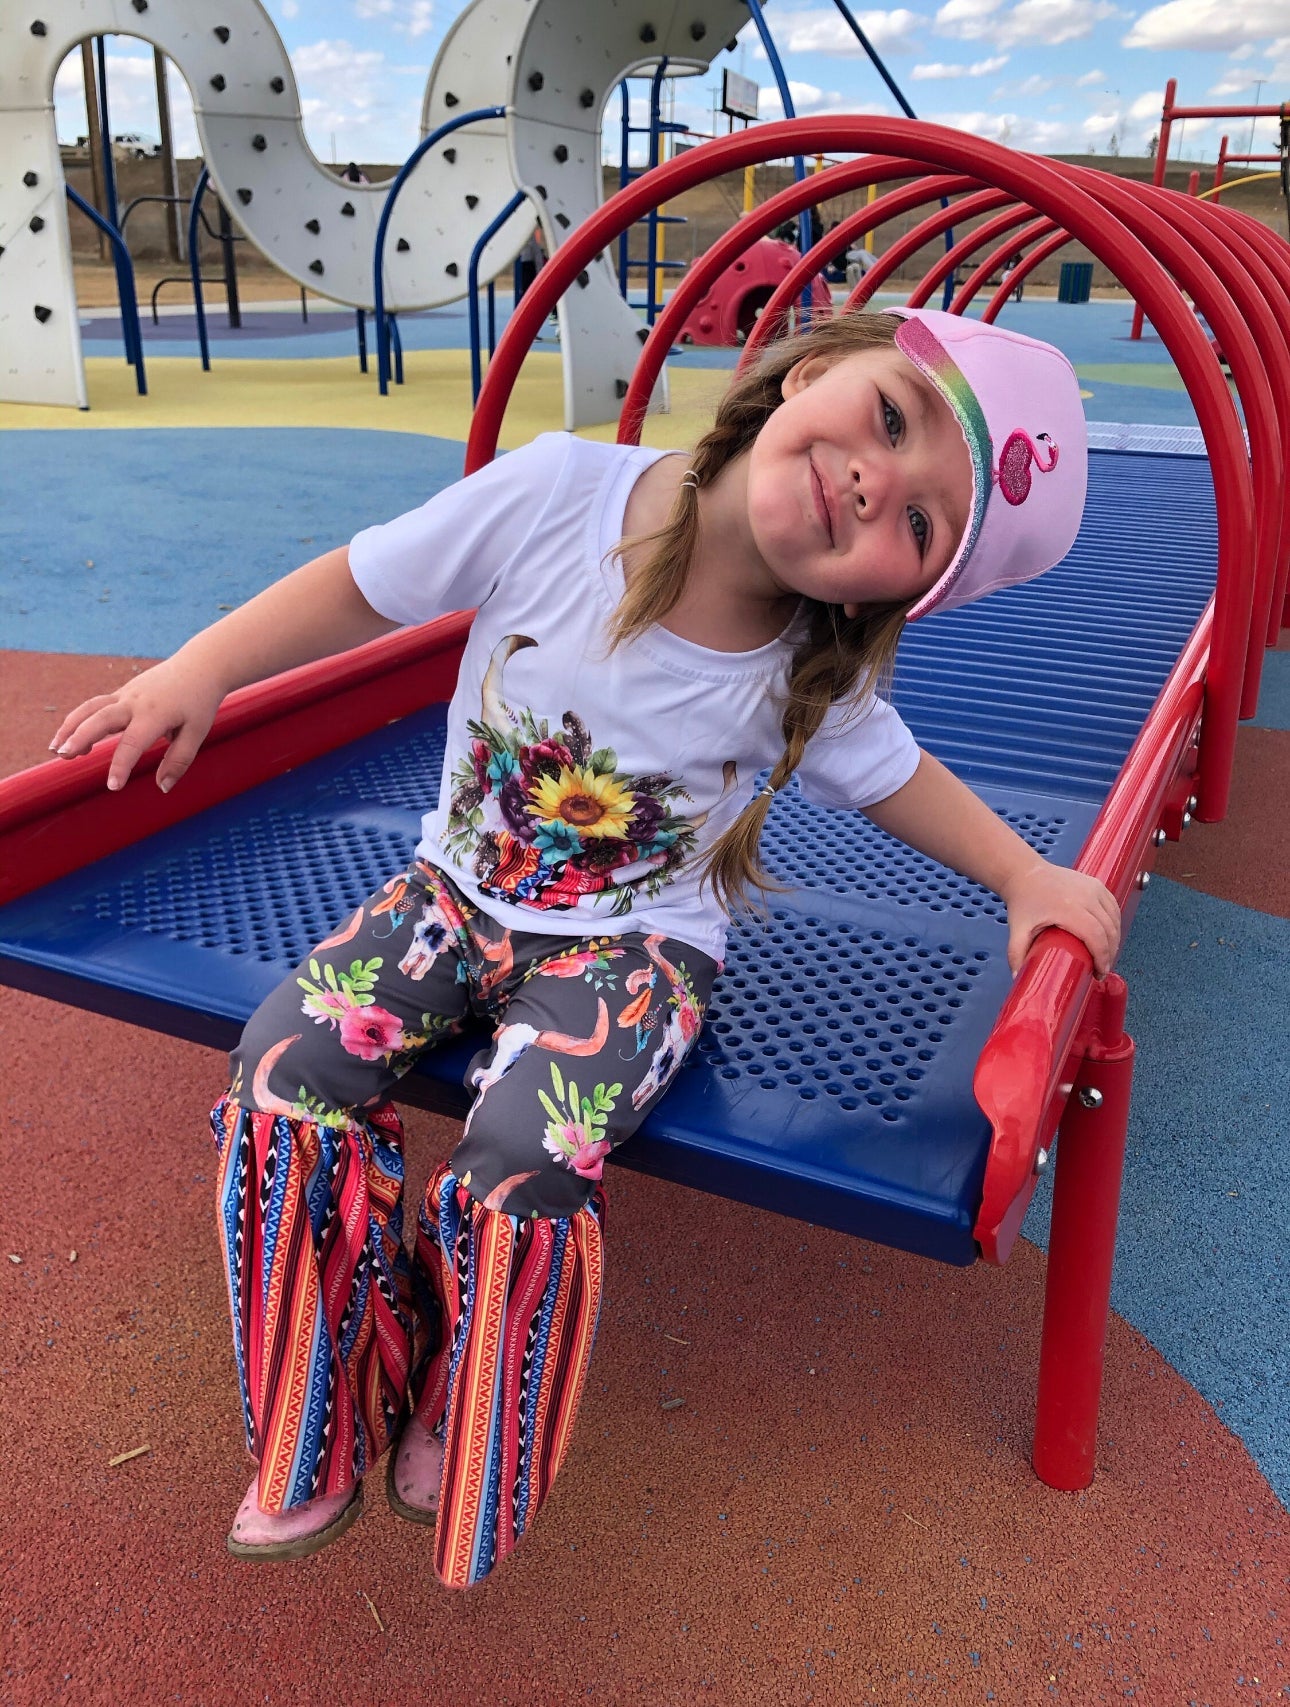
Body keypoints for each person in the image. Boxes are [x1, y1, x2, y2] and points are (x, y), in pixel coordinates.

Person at [50, 307, 1118, 1589]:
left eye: (919, 525)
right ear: (821, 369)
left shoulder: (806, 674)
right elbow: (364, 579)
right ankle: (324, 1401)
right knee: (282, 1068)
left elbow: (898, 779)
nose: (873, 480)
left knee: (525, 1147)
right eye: (891, 418)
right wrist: (203, 668)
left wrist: (1025, 875)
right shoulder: (558, 491)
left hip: (637, 947)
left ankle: (466, 1386)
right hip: (451, 890)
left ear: (899, 592)